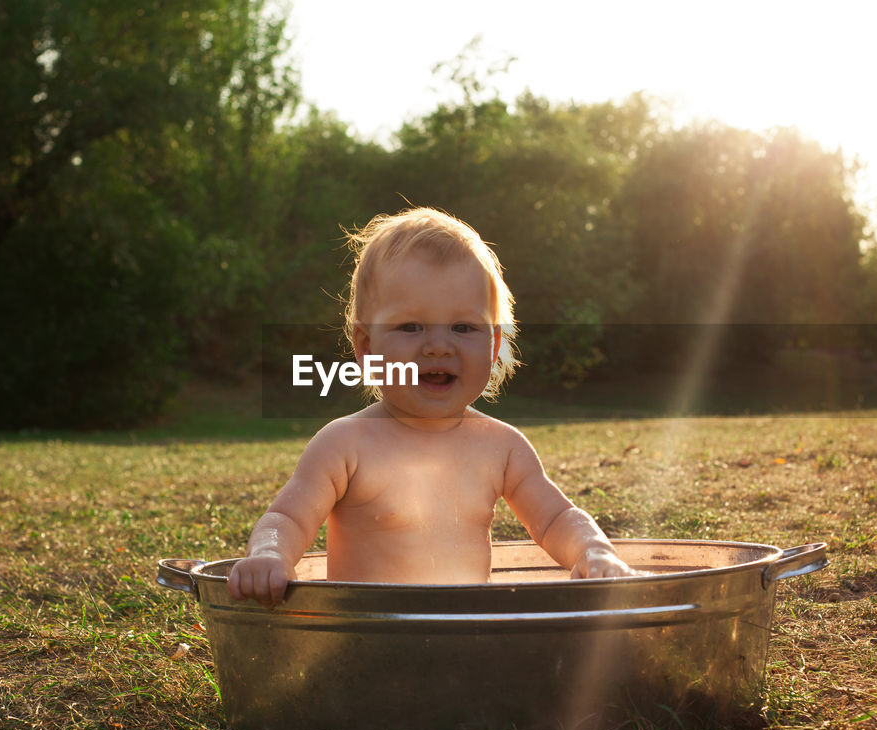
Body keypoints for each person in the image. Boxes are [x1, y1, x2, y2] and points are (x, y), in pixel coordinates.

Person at [228, 207, 635, 606]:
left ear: (493, 346)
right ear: (366, 347)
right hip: (364, 644)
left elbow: (558, 519)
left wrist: (593, 550)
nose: (438, 346)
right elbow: (288, 519)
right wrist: (269, 555)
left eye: (463, 327)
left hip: (461, 641)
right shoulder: (344, 444)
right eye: (410, 327)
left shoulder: (502, 447)